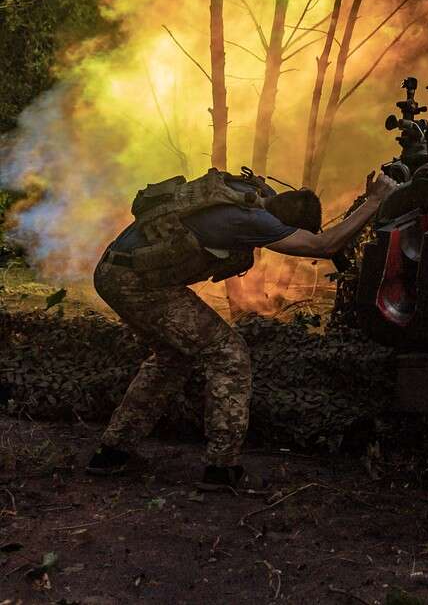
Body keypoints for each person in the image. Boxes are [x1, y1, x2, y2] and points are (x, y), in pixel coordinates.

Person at [86, 168, 399, 491]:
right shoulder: (254, 222)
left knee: (173, 358)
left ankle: (111, 453)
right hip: (135, 284)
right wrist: (374, 201)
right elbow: (324, 246)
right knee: (228, 355)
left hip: (117, 269)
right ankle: (221, 469)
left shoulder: (255, 195)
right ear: (285, 226)